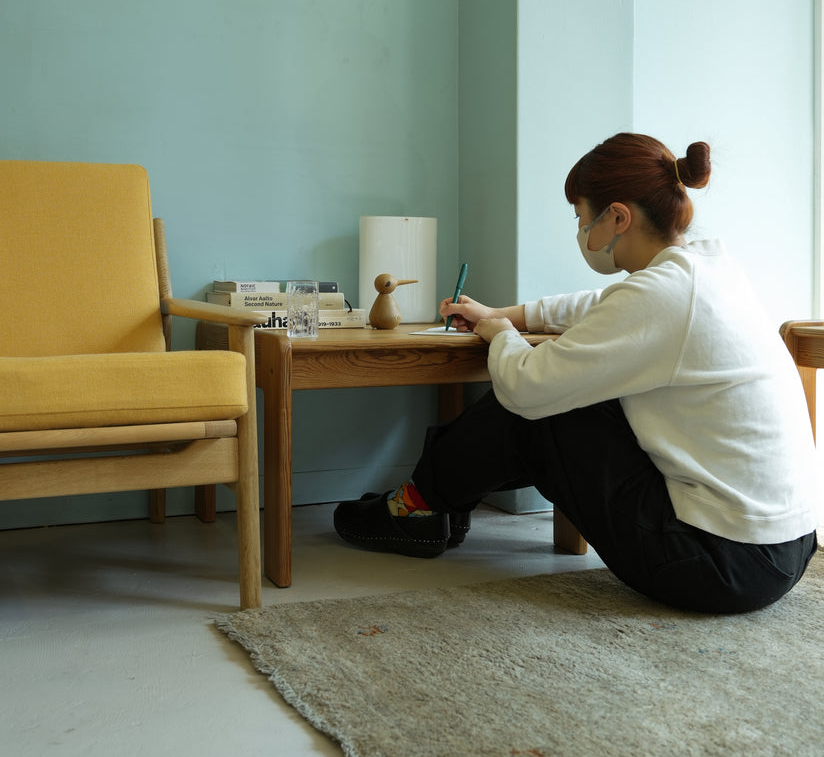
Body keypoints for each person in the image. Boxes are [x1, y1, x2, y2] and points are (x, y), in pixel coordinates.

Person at [333, 133, 819, 614]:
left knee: (544, 406)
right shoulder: (705, 270)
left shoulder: (661, 294)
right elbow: (599, 308)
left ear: (618, 217)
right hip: (785, 548)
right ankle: (434, 501)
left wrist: (501, 334)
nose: (583, 230)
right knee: (568, 390)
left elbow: (526, 388)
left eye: (582, 217)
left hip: (722, 563)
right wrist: (501, 313)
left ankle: (416, 505)